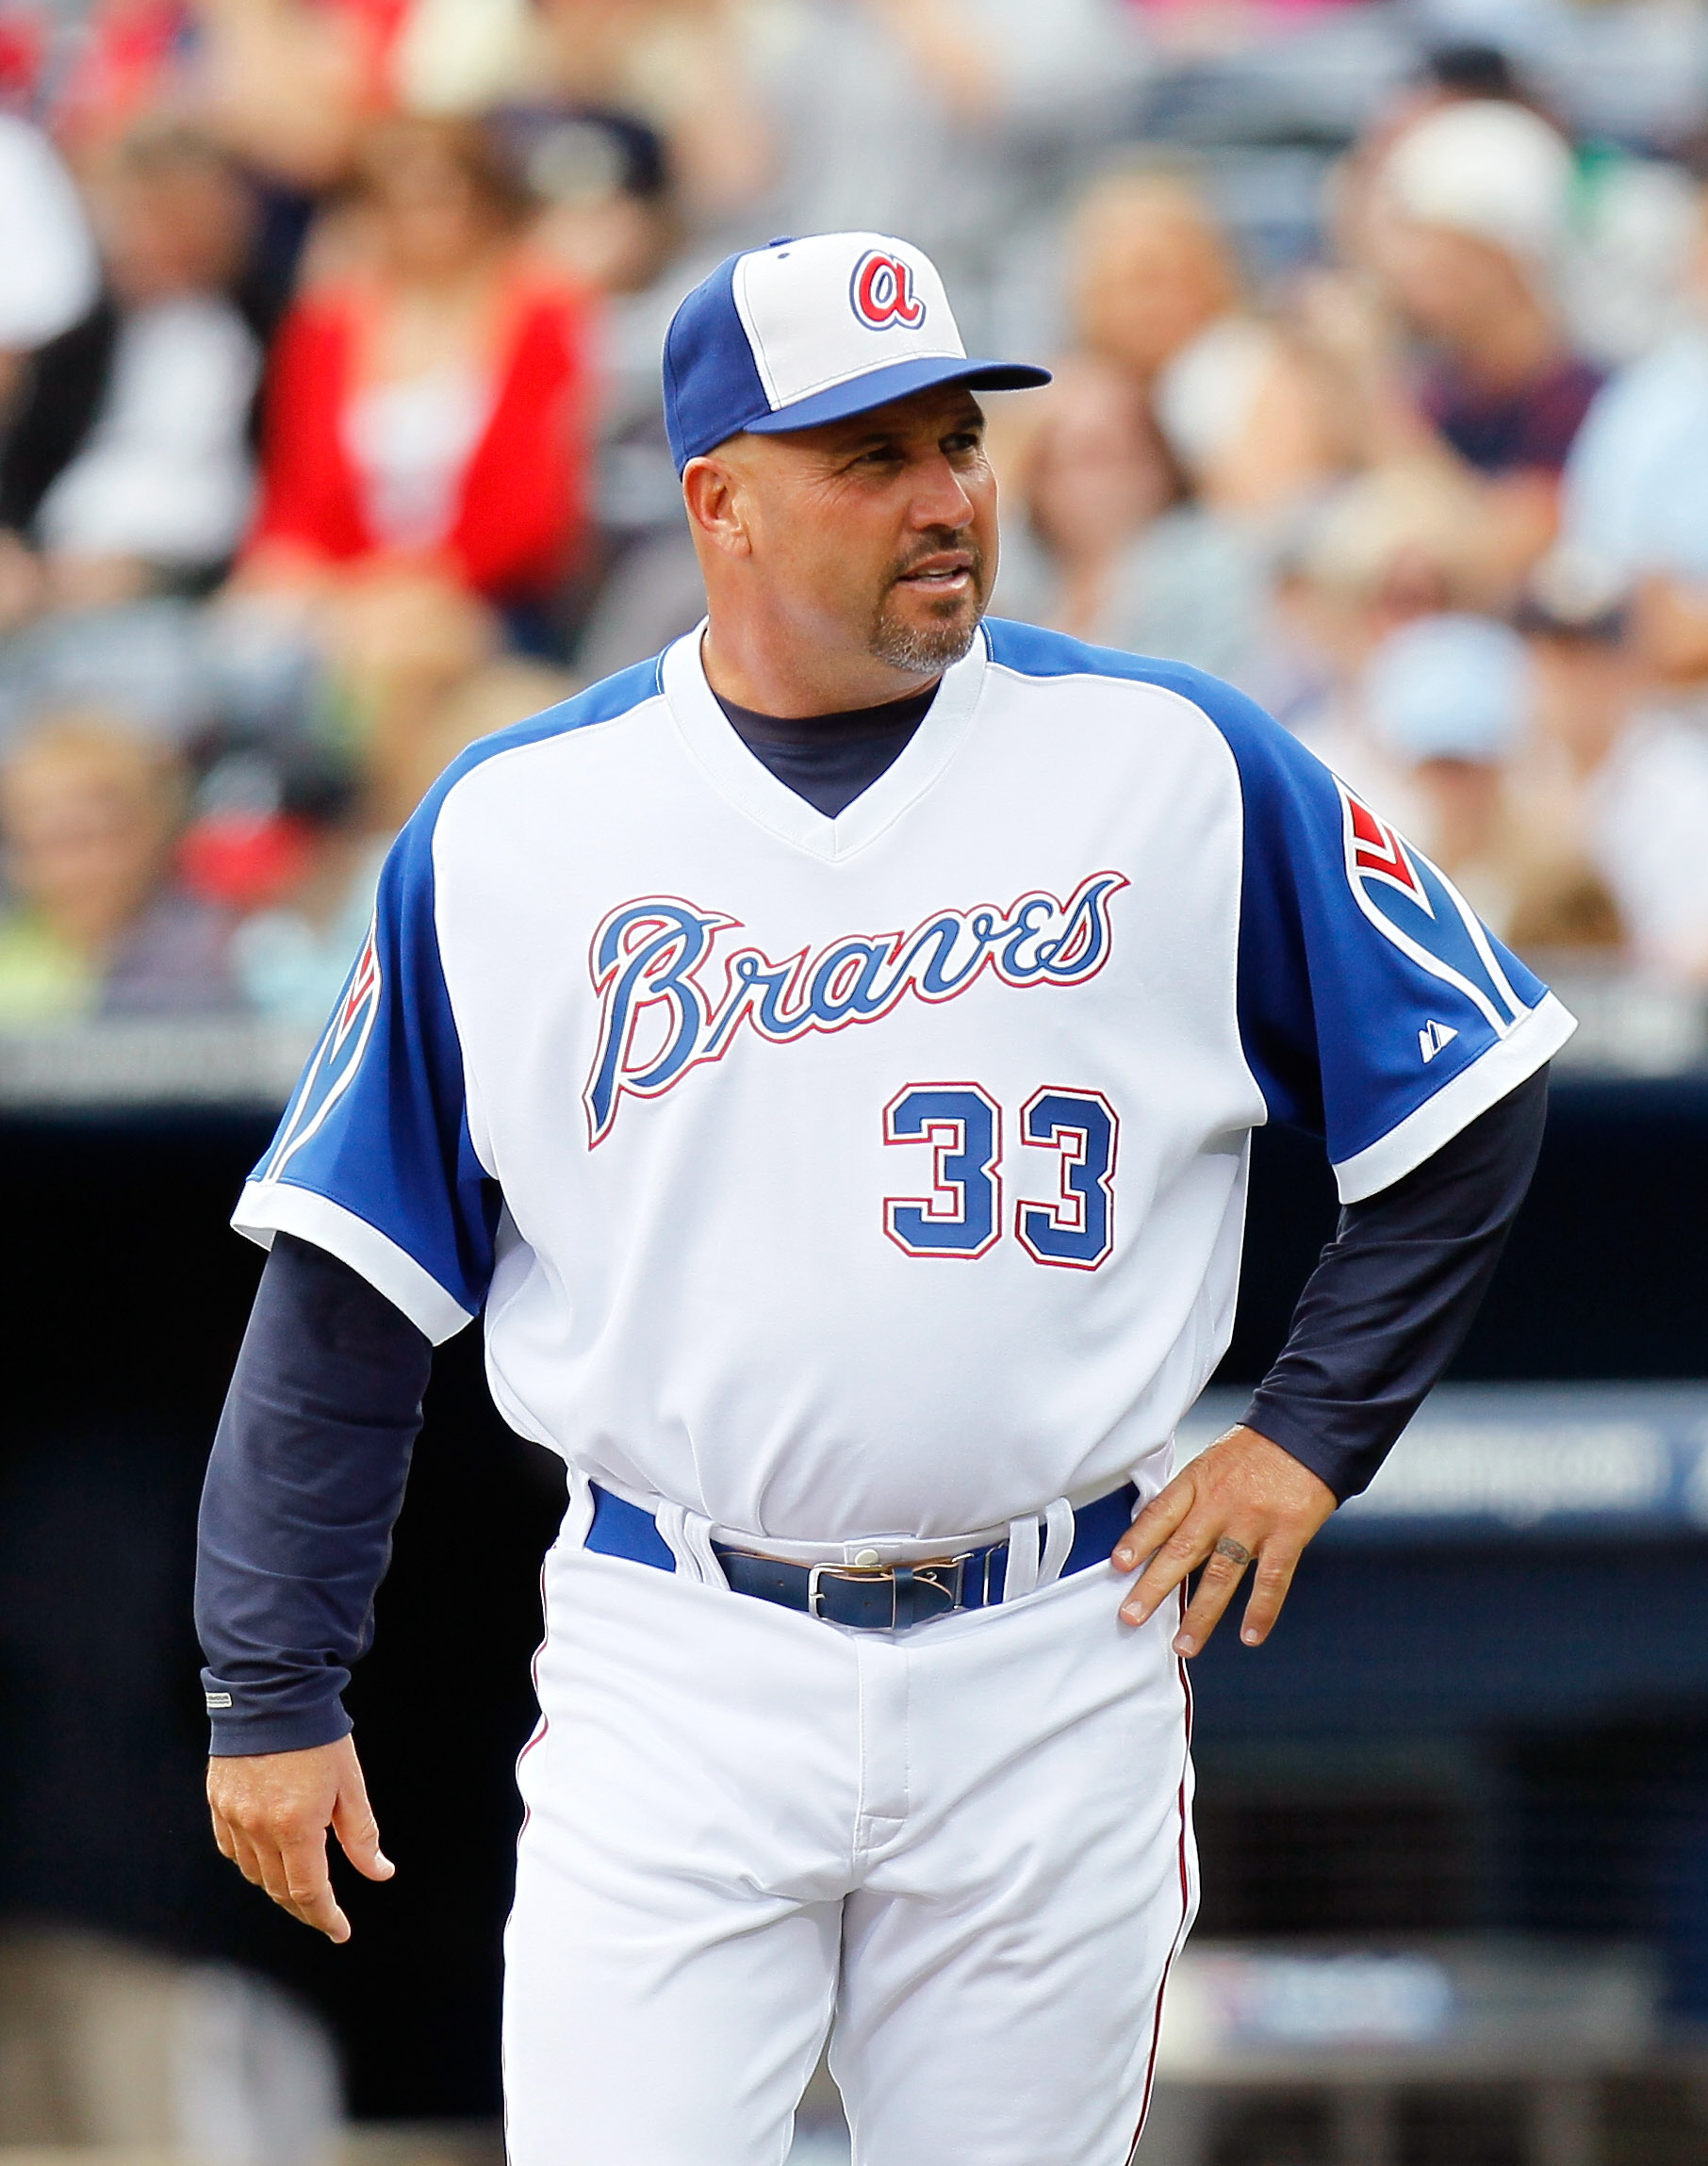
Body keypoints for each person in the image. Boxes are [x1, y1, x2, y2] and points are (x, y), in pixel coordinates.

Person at [196, 231, 1574, 2164]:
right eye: (872, 459)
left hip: (1051, 1638)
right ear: (719, 503)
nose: (945, 500)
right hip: (675, 1645)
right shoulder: (518, 827)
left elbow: (1474, 1095)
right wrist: (271, 1678)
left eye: (958, 443)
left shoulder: (1171, 760)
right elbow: (345, 1295)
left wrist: (1307, 1437)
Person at [238, 116, 596, 622]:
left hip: (490, 597)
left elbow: (540, 503)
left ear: (483, 205)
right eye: (394, 204)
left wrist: (426, 584)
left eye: (437, 201)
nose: (419, 224)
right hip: (342, 593)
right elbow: (293, 496)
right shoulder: (324, 329)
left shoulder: (542, 316)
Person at [0, 713, 238, 1022]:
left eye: (90, 838)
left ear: (153, 833)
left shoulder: (218, 956)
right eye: (44, 844)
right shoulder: (12, 959)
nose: (73, 870)